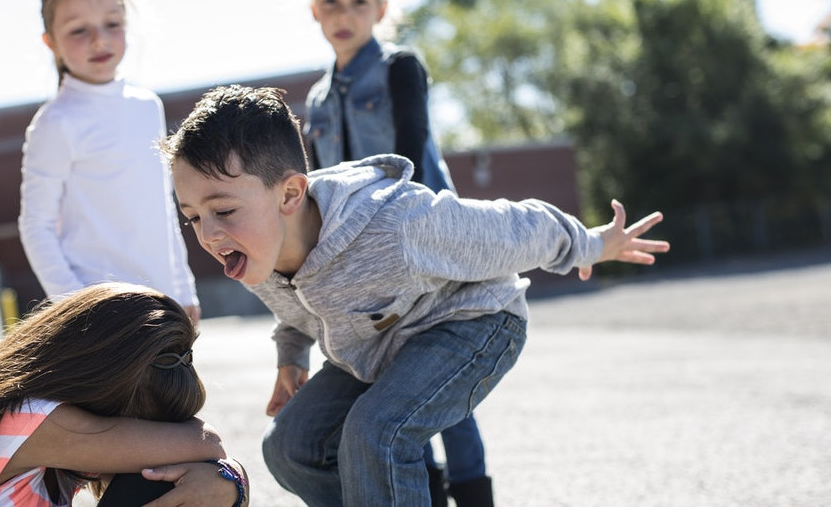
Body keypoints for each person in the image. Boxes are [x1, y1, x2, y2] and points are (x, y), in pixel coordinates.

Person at [161, 86, 669, 507]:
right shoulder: (260, 253)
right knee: (290, 447)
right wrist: (290, 358)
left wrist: (593, 244)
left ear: (290, 195)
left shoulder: (397, 225)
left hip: (473, 324)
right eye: (192, 216)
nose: (207, 234)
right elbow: (297, 311)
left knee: (375, 433)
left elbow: (517, 227)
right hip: (378, 345)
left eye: (222, 210)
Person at [303, 0, 484, 505]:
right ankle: (421, 493)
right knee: (395, 385)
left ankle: (477, 494)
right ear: (314, 11)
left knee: (444, 383)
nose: (345, 13)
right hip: (362, 260)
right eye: (332, 1)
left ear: (380, 9)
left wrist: (400, 216)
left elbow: (411, 143)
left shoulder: (400, 67)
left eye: (359, 1)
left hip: (426, 244)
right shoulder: (315, 99)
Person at [0, 282, 249, 506]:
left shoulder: (17, 413)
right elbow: (208, 445)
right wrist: (232, 480)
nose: (142, 439)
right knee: (169, 476)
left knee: (184, 477)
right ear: (101, 387)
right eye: (137, 426)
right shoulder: (26, 418)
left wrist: (230, 483)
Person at [19, 0, 200, 322]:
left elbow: (163, 207)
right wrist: (74, 306)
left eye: (112, 24)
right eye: (78, 30)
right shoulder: (56, 122)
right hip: (101, 314)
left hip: (163, 303)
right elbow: (35, 224)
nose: (99, 40)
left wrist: (183, 289)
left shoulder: (148, 106)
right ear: (51, 42)